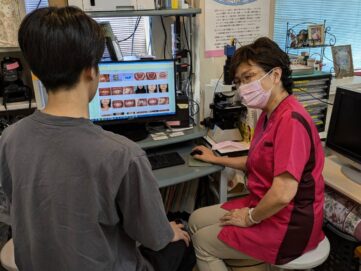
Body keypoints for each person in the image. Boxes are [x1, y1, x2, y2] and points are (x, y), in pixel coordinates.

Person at [0, 7, 195, 271]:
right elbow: (155, 237)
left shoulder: (9, 137)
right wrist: (170, 231)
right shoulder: (122, 154)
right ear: (92, 71)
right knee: (182, 238)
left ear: (35, 70)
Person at [189, 37, 325, 270]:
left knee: (202, 242)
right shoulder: (267, 113)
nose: (243, 87)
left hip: (289, 224)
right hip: (264, 205)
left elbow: (283, 194)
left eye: (249, 77)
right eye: (239, 81)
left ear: (275, 75)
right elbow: (256, 161)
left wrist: (249, 217)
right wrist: (216, 158)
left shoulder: (290, 121)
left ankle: (247, 258)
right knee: (195, 220)